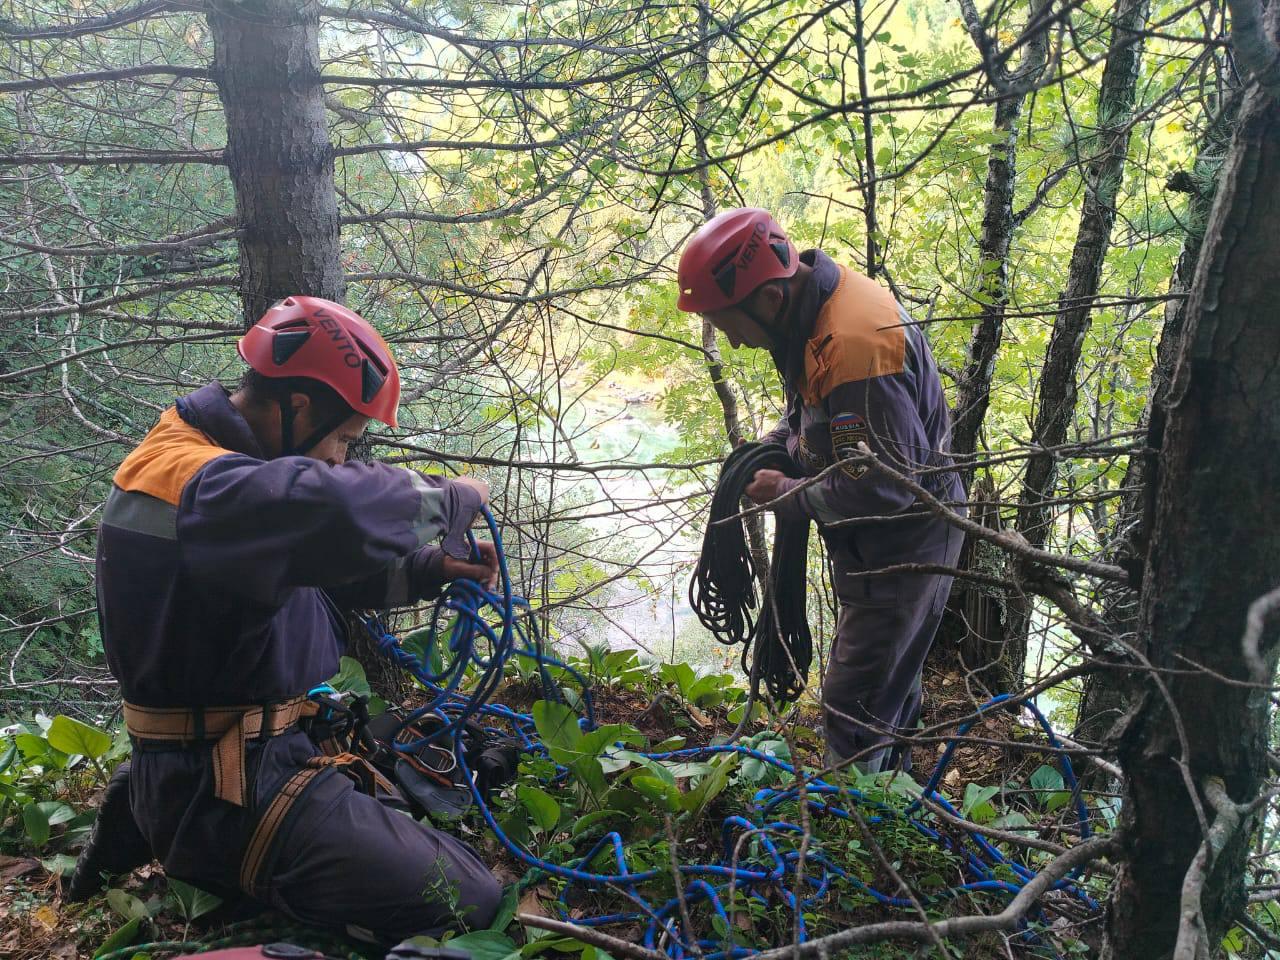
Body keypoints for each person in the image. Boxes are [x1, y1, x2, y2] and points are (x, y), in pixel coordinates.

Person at [71, 295, 502, 941]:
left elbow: (316, 563)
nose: (340, 457)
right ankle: (229, 881)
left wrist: (431, 569)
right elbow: (333, 508)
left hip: (245, 754)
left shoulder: (214, 473)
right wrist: (450, 500)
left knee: (443, 773)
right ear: (297, 406)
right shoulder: (200, 482)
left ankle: (148, 803)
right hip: (229, 791)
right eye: (343, 439)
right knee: (469, 900)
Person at [676, 208, 965, 772]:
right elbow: (819, 416)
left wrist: (786, 492)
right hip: (879, 542)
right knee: (887, 686)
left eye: (728, 324)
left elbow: (886, 486)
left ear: (768, 298)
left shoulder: (855, 345)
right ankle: (891, 797)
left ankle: (849, 813)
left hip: (904, 545)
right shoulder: (813, 314)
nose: (733, 342)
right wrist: (773, 444)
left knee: (856, 701)